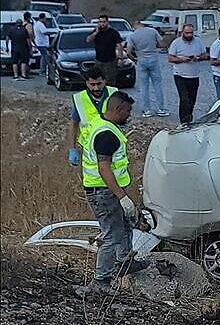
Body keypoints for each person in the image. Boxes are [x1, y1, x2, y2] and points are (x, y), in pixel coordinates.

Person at [76, 91, 149, 295]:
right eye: (127, 111)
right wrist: (122, 196)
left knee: (125, 226)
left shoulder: (101, 124)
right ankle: (101, 281)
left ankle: (125, 262)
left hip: (106, 190)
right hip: (103, 192)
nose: (129, 115)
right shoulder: (106, 134)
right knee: (111, 236)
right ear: (117, 109)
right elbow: (104, 168)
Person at [68, 68, 118, 167]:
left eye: (99, 84)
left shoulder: (114, 94)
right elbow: (74, 124)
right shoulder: (80, 99)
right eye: (92, 84)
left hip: (112, 146)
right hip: (90, 149)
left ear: (104, 81)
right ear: (87, 83)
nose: (96, 88)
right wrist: (72, 148)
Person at [125, 20, 168, 118]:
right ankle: (161, 109)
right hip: (153, 59)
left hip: (141, 60)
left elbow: (128, 52)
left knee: (144, 87)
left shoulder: (132, 35)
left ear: (135, 26)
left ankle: (147, 110)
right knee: (157, 85)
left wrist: (134, 59)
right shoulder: (152, 31)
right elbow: (162, 44)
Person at [168, 24, 209, 124]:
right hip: (180, 75)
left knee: (192, 100)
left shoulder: (198, 41)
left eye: (191, 33)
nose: (189, 35)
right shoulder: (176, 43)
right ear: (182, 32)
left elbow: (205, 55)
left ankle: (189, 118)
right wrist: (181, 59)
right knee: (184, 99)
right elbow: (170, 58)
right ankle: (183, 121)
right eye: (187, 33)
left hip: (194, 75)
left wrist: (198, 58)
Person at [87, 15, 124, 86]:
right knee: (98, 80)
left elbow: (119, 46)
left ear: (107, 22)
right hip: (98, 61)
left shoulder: (113, 32)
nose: (102, 24)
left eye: (104, 22)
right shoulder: (96, 31)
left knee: (110, 81)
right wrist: (96, 32)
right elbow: (88, 40)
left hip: (110, 61)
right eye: (100, 22)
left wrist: (120, 58)